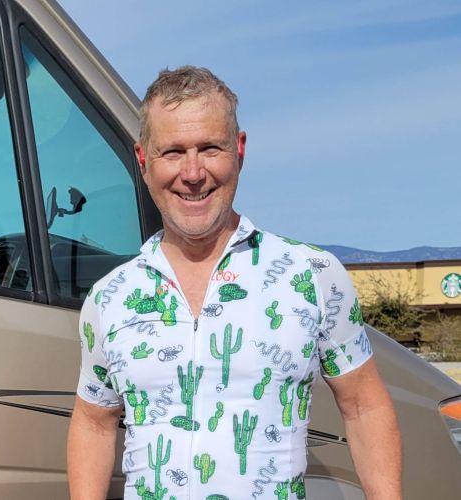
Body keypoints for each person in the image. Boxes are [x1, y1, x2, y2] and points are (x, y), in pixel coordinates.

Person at [67, 66, 402, 499]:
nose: (193, 173)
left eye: (210, 148)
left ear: (239, 150)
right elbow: (94, 423)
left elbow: (363, 406)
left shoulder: (313, 275)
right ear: (144, 159)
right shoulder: (109, 297)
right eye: (173, 152)